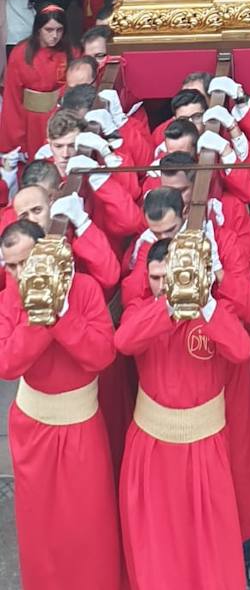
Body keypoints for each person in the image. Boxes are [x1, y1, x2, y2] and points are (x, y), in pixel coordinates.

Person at [115, 237, 249, 590]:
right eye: (156, 278)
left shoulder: (215, 312)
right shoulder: (142, 309)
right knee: (154, 542)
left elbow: (241, 349)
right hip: (151, 446)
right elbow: (125, 342)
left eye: (169, 276)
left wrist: (204, 304)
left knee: (208, 542)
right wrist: (168, 307)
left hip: (203, 446)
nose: (162, 285)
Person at [0, 219, 122, 590]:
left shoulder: (83, 289)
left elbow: (102, 355)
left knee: (88, 525)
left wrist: (63, 315)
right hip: (32, 428)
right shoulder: (9, 296)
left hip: (79, 426)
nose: (20, 275)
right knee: (39, 527)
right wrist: (41, 319)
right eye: (11, 266)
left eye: (26, 263)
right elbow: (7, 364)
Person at [0, 6, 70, 156]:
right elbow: (12, 98)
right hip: (30, 121)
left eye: (59, 30)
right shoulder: (20, 54)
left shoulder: (70, 51)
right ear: (38, 29)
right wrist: (15, 139)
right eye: (49, 30)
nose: (55, 35)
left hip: (59, 118)